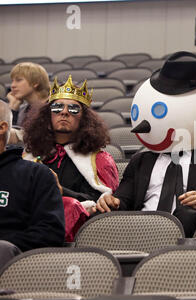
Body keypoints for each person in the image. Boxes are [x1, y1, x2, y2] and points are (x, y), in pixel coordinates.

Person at [96, 52, 196, 237]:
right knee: (99, 214)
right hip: (140, 229)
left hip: (186, 232)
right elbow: (123, 199)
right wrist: (112, 202)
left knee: (187, 214)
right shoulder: (140, 160)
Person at [22, 76, 119, 242]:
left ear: (84, 119)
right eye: (57, 107)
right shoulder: (30, 156)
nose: (64, 112)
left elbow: (102, 202)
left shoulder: (98, 159)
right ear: (48, 115)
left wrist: (61, 191)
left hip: (79, 236)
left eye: (73, 109)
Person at [0, 99, 65, 269]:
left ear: (2, 128)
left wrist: (8, 244)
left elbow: (50, 232)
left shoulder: (36, 175)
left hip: (14, 266)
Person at [7, 62, 50, 144]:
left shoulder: (54, 107)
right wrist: (13, 107)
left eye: (18, 80)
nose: (12, 85)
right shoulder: (22, 109)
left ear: (35, 82)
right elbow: (8, 138)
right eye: (12, 81)